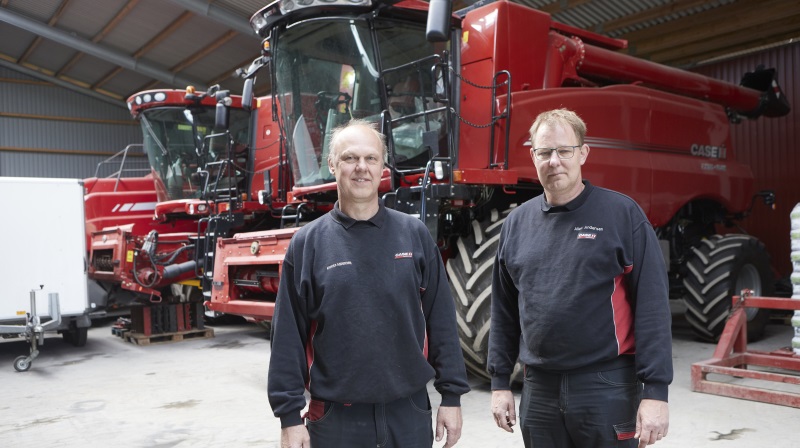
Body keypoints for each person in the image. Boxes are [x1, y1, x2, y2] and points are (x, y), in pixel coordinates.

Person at [268, 118, 470, 448]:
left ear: (382, 167)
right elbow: (287, 336)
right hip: (334, 419)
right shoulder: (308, 244)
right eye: (350, 158)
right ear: (332, 165)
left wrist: (452, 395)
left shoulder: (413, 234)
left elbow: (441, 320)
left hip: (410, 411)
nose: (361, 168)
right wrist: (289, 417)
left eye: (371, 158)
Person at [488, 108, 673, 448]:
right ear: (533, 156)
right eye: (544, 152)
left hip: (606, 384)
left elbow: (653, 307)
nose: (554, 160)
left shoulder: (621, 215)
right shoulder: (516, 224)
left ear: (583, 153)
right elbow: (503, 311)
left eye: (564, 150)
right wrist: (500, 383)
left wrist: (655, 392)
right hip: (539, 388)